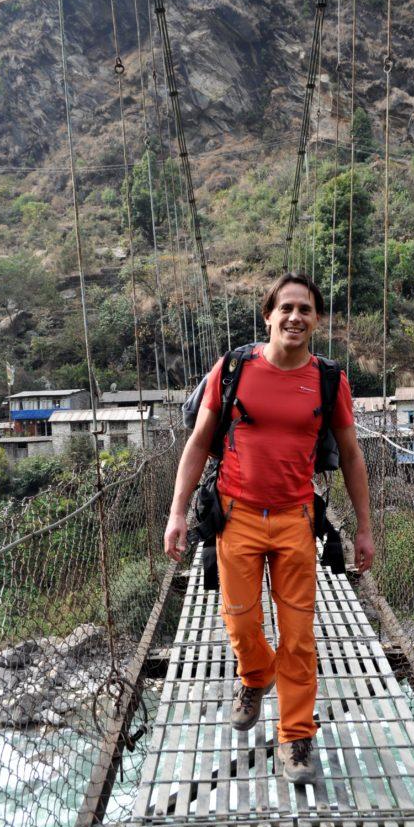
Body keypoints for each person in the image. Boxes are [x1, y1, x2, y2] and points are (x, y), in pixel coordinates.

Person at [164, 273, 375, 784]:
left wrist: (363, 528)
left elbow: (350, 454)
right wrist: (176, 512)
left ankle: (296, 735)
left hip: (296, 520)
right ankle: (254, 677)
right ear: (268, 315)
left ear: (317, 319)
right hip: (235, 517)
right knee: (238, 619)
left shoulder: (329, 380)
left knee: (299, 635)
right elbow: (197, 442)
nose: (295, 317)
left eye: (305, 309)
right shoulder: (234, 368)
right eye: (286, 308)